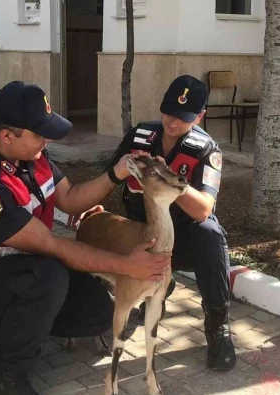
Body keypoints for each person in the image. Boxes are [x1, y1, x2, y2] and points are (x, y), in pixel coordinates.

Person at [0, 81, 170, 395]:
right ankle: (6, 383)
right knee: (47, 278)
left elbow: (70, 197)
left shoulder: (30, 154)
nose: (48, 141)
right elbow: (52, 245)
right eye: (40, 134)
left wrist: (118, 171)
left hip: (13, 268)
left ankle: (5, 329)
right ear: (8, 136)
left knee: (97, 313)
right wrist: (126, 265)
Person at [100, 75, 237, 372]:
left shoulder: (206, 150)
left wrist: (167, 180)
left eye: (183, 117)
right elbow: (111, 173)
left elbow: (203, 210)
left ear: (200, 116)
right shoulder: (140, 135)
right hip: (142, 233)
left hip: (184, 236)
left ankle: (218, 325)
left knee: (211, 234)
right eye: (168, 112)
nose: (172, 122)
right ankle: (155, 284)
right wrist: (129, 166)